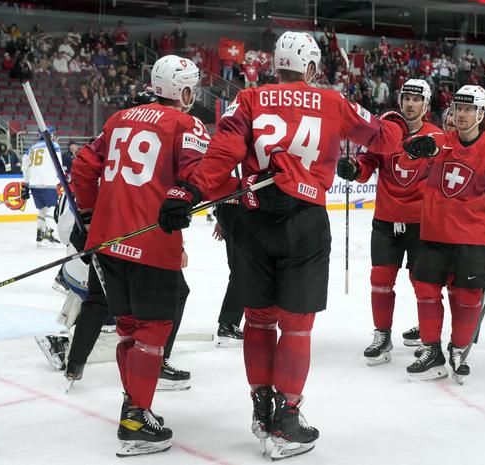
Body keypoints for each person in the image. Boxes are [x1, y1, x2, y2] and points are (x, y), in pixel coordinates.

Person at [156, 31, 408, 460]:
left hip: (253, 220)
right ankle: (287, 419)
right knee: (296, 325)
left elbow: (222, 152)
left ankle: (261, 406)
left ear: (276, 65)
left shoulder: (249, 99)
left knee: (257, 321)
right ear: (310, 68)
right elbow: (384, 139)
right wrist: (400, 127)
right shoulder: (332, 101)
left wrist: (188, 191)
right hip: (304, 223)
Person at [70, 55, 208, 457]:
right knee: (152, 331)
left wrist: (91, 213)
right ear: (182, 91)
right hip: (151, 241)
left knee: (129, 328)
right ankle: (135, 417)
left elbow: (83, 165)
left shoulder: (118, 119)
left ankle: (133, 400)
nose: (193, 95)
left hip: (108, 242)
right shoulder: (187, 124)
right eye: (191, 88)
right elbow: (198, 174)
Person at [404, 85, 485, 382]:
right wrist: (418, 147)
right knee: (425, 290)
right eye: (458, 108)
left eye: (469, 109)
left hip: (472, 239)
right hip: (434, 235)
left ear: (481, 113)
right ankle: (432, 351)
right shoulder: (441, 142)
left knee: (468, 297)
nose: (463, 115)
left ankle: (458, 347)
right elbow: (429, 146)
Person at [336, 79, 444, 366]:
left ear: (426, 105)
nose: (409, 104)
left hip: (422, 222)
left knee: (424, 283)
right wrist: (353, 169)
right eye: (406, 98)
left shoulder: (437, 137)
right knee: (380, 281)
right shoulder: (385, 133)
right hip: (385, 219)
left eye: (416, 99)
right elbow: (366, 165)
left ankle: (430, 337)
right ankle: (382, 336)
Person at [212, 178, 244, 346]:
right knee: (243, 270)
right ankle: (228, 323)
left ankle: (229, 322)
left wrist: (220, 216)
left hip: (229, 209)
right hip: (238, 211)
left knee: (241, 270)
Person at [21, 126, 63, 246]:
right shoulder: (53, 145)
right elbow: (58, 162)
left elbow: (25, 168)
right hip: (48, 182)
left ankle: (40, 233)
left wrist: (26, 185)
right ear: (50, 134)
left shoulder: (31, 148)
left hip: (34, 183)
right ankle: (51, 232)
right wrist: (62, 178)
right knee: (52, 207)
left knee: (42, 209)